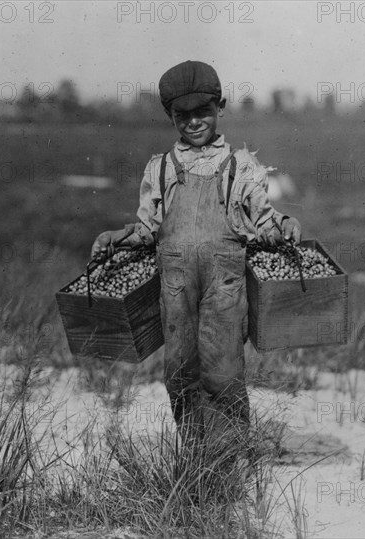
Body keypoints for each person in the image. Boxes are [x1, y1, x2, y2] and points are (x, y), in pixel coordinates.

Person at [91, 60, 301, 447]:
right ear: (170, 116)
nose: (194, 122)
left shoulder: (242, 167)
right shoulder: (161, 169)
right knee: (179, 371)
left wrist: (283, 227)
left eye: (202, 111)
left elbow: (264, 223)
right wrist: (118, 237)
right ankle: (195, 456)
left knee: (221, 373)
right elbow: (148, 230)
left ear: (220, 108)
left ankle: (228, 459)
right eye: (182, 115)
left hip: (224, 287)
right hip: (175, 289)